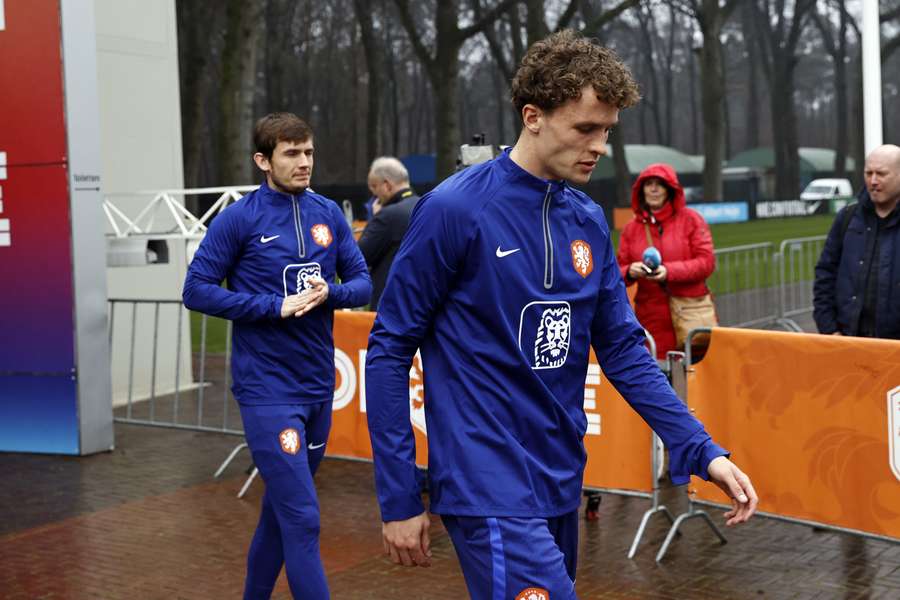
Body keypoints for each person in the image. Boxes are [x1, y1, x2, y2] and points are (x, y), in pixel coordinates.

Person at [364, 30, 757, 599]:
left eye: (607, 131)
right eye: (584, 129)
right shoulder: (453, 209)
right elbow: (389, 349)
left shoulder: (589, 219)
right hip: (485, 481)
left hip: (560, 475)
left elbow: (622, 349)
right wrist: (399, 495)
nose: (599, 145)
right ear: (532, 117)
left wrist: (700, 448)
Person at [182, 112, 371, 599]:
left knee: (279, 513)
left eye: (308, 152)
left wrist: (329, 293)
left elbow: (363, 283)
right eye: (291, 153)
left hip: (316, 389)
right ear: (263, 160)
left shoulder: (327, 213)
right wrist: (273, 306)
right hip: (268, 393)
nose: (304, 162)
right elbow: (196, 290)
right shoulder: (239, 219)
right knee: (303, 516)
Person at [616, 163, 716, 358]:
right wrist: (630, 271)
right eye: (648, 184)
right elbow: (616, 273)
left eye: (659, 184)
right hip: (650, 319)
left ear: (670, 190)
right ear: (641, 190)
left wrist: (668, 272)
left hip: (690, 313)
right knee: (657, 378)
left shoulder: (692, 220)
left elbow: (706, 262)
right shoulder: (631, 229)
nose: (653, 189)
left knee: (693, 377)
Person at [814, 144, 900, 339]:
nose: (873, 181)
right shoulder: (847, 218)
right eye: (868, 173)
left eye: (881, 174)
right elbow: (825, 274)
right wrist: (829, 329)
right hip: (850, 345)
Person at [358, 157, 420, 309]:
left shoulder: (388, 216)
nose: (374, 196)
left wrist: (373, 218)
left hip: (390, 306)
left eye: (374, 187)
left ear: (386, 185)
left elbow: (359, 258)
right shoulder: (426, 206)